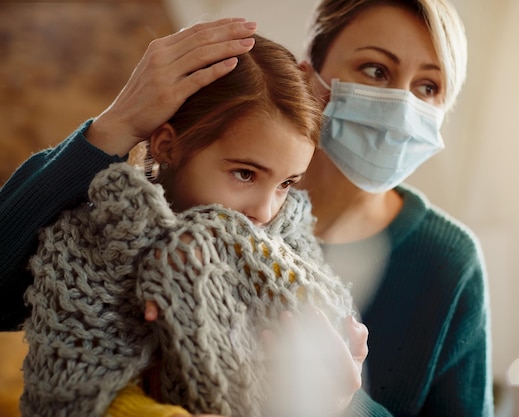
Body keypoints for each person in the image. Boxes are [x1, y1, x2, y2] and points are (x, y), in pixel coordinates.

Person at [1, 0, 494, 414]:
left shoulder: (447, 263)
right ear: (310, 80)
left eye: (429, 86)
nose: (401, 106)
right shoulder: (122, 230)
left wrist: (343, 405)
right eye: (375, 69)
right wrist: (110, 130)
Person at [18, 33, 363, 417]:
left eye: (286, 183)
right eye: (245, 174)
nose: (266, 210)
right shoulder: (93, 243)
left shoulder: (288, 245)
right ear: (168, 145)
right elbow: (68, 390)